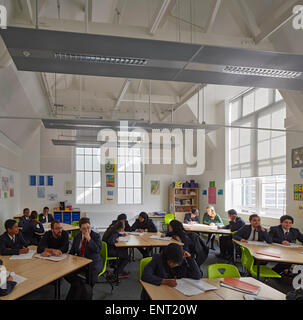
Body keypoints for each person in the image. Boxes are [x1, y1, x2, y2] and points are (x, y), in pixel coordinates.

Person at [66, 217, 102, 287]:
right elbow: (72, 251)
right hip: (81, 261)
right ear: (80, 229)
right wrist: (65, 258)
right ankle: (81, 285)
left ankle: (86, 289)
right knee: (67, 273)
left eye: (88, 227)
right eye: (84, 228)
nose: (87, 230)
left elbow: (97, 249)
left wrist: (89, 239)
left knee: (91, 279)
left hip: (93, 262)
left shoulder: (96, 236)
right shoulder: (77, 236)